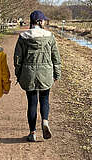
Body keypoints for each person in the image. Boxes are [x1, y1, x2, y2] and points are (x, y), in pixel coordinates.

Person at [14, 10, 61, 142]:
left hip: (28, 73)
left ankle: (32, 132)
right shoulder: (50, 36)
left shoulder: (23, 37)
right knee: (45, 99)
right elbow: (55, 57)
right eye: (44, 20)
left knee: (32, 103)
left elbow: (18, 58)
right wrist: (57, 73)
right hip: (46, 73)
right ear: (40, 22)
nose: (45, 22)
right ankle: (45, 121)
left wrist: (19, 74)